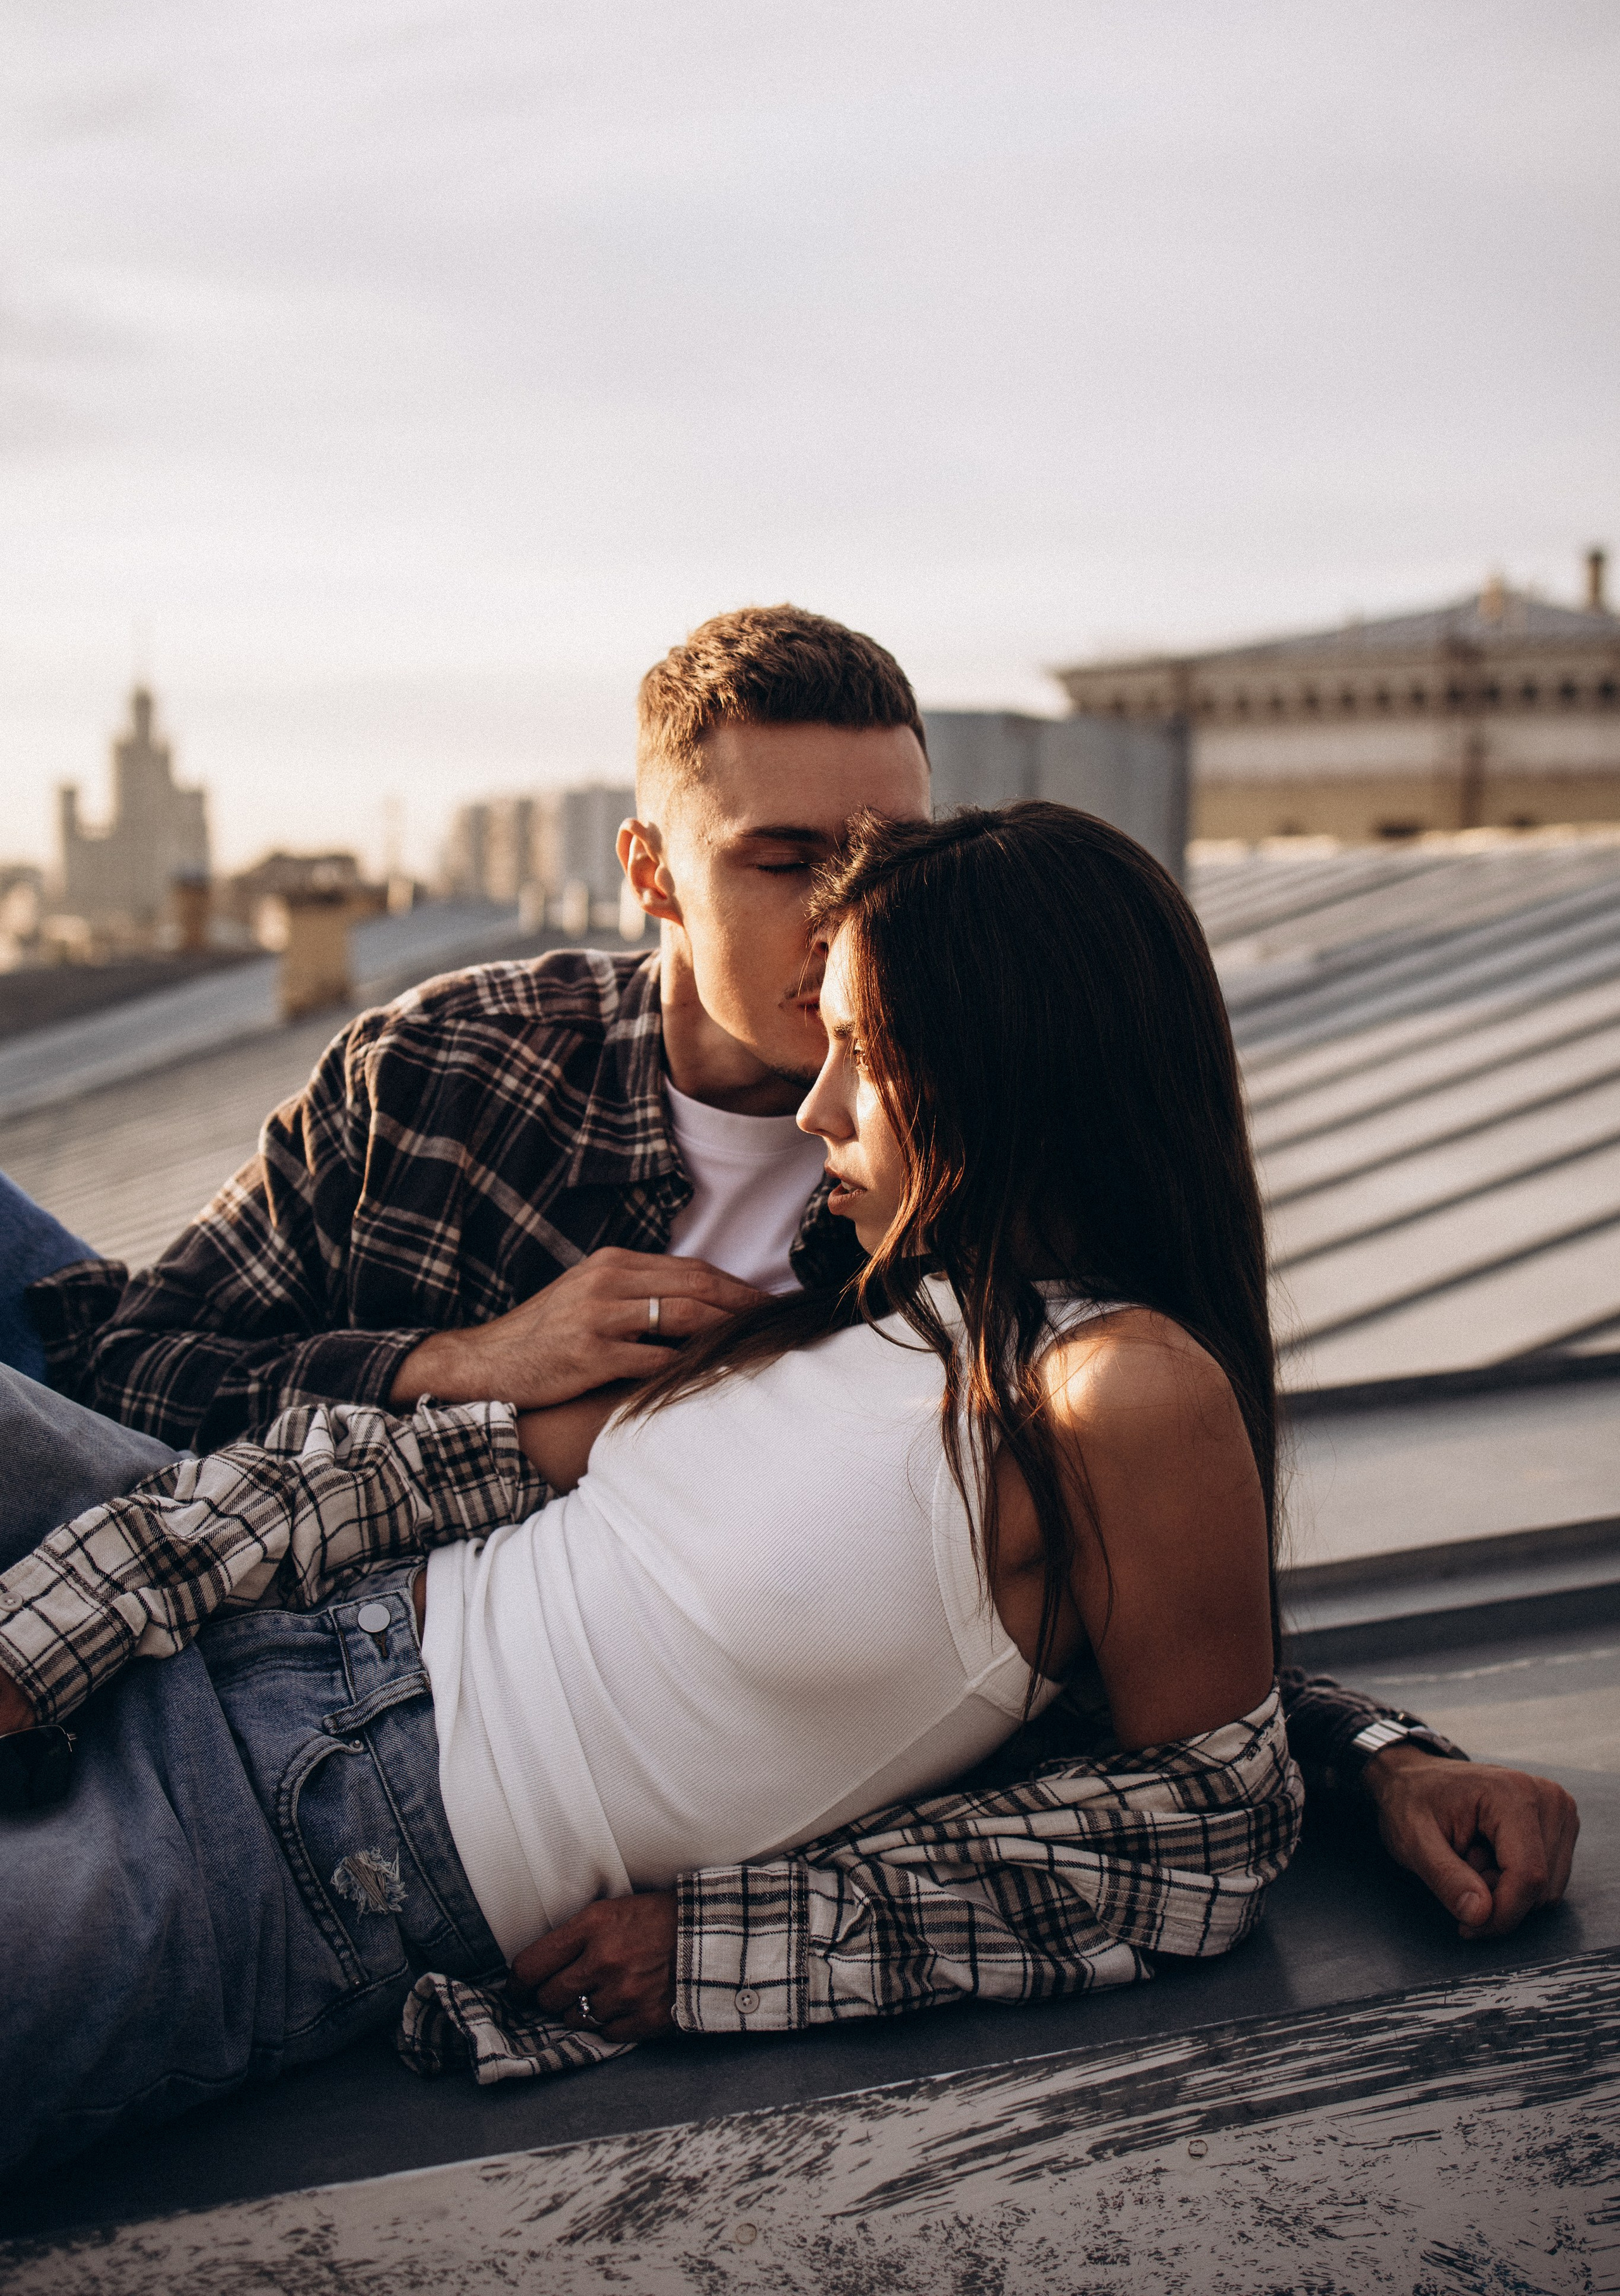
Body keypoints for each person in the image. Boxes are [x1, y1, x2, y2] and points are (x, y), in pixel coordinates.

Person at [4, 607, 1577, 2030]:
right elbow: (128, 1370)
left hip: (372, 1817)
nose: (846, 905)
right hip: (221, 1548)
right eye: (784, 857)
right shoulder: (459, 1063)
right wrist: (461, 1362)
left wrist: (1374, 1758)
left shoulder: (924, 1260)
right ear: (647, 873)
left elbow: (1110, 1648)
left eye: (887, 852)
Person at [3, 801, 1296, 2175]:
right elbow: (429, 1469)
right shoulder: (871, 1310)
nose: (816, 1107)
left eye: (863, 1052)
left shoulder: (1116, 1390)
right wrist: (54, 1625)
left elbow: (1205, 1821)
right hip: (231, 1608)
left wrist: (736, 1948)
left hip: (301, 1854)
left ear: (1014, 1059)